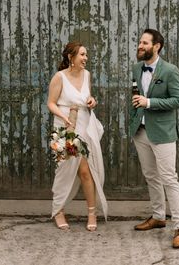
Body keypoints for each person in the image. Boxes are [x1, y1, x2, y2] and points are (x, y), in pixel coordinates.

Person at [130, 29, 179, 248]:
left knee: (169, 178)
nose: (140, 45)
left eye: (144, 42)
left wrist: (150, 103)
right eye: (139, 42)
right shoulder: (137, 68)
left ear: (157, 46)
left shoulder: (170, 70)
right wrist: (135, 116)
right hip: (141, 131)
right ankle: (158, 216)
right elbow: (136, 95)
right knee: (150, 176)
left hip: (162, 134)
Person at [47, 41, 107, 231]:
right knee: (65, 170)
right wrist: (64, 116)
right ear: (70, 58)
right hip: (66, 127)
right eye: (82, 55)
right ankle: (58, 211)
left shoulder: (87, 74)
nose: (85, 58)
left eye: (86, 54)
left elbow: (87, 98)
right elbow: (51, 103)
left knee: (86, 171)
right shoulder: (59, 77)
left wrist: (91, 100)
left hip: (84, 124)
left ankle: (92, 212)